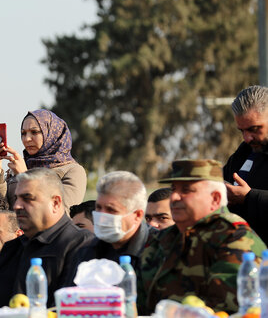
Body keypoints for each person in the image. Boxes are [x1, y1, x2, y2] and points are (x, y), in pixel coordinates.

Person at [138, 159, 267, 315]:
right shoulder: (163, 239)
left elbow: (227, 310)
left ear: (215, 198)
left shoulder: (235, 239)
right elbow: (138, 300)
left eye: (186, 190)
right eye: (173, 189)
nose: (175, 197)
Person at [0, 168, 92, 308]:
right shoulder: (12, 248)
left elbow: (71, 308)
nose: (17, 206)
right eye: (17, 198)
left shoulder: (82, 245)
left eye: (27, 198)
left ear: (55, 203)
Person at [0, 109, 86, 212]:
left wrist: (26, 176)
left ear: (51, 134)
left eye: (34, 132)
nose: (27, 139)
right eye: (23, 133)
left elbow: (61, 211)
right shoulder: (18, 167)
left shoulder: (73, 171)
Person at [223, 85, 268, 244]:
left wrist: (249, 197)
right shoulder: (245, 151)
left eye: (254, 129)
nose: (247, 138)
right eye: (241, 131)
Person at [76, 172, 148, 269]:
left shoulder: (160, 251)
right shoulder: (87, 250)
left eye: (111, 210)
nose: (101, 217)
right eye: (98, 207)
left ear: (137, 215)